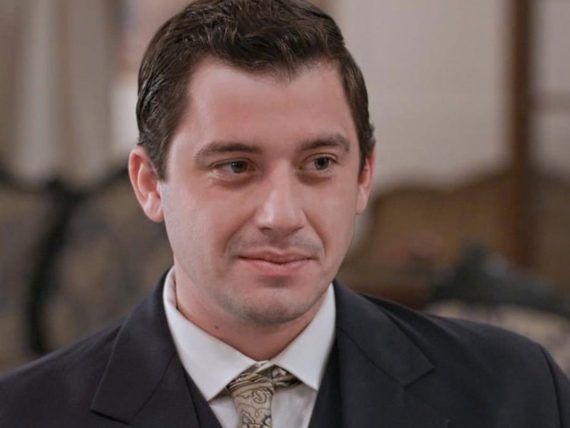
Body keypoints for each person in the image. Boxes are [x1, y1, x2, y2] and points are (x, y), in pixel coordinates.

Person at [1, 0, 569, 426]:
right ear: (150, 184)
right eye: (235, 166)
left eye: (319, 163)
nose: (281, 215)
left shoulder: (514, 390)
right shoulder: (25, 412)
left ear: (363, 176)